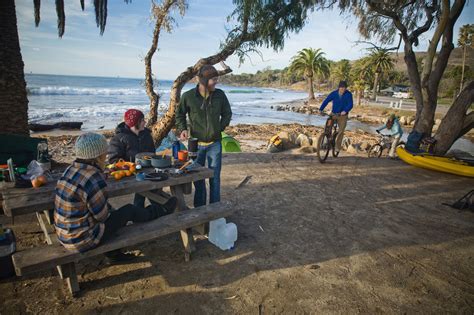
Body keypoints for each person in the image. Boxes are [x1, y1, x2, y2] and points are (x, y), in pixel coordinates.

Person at [54, 133, 160, 262]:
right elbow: (102, 216)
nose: (107, 155)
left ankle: (114, 254)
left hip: (64, 234)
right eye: (105, 153)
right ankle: (159, 211)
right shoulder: (93, 177)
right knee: (128, 210)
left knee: (114, 213)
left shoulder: (69, 170)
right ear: (98, 157)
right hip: (82, 239)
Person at [175, 64, 232, 207]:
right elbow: (180, 114)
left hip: (215, 144)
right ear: (204, 81)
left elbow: (227, 113)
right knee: (198, 180)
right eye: (214, 79)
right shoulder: (188, 96)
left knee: (214, 178)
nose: (216, 82)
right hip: (196, 145)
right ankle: (200, 210)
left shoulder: (220, 95)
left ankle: (214, 211)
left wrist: (219, 128)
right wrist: (182, 129)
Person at [108, 109, 176, 215]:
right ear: (135, 123)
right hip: (130, 176)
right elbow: (113, 160)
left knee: (152, 189)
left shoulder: (146, 135)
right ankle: (161, 210)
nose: (145, 122)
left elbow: (152, 153)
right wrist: (130, 165)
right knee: (147, 191)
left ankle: (150, 212)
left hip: (148, 172)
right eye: (142, 120)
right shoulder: (118, 139)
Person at [319, 80, 354, 154]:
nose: (343, 90)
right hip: (334, 114)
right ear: (338, 88)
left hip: (343, 116)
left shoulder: (348, 94)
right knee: (328, 127)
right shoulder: (334, 93)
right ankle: (327, 138)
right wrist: (321, 109)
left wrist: (345, 110)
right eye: (341, 88)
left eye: (344, 88)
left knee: (341, 131)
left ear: (346, 88)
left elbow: (350, 104)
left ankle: (337, 147)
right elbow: (326, 101)